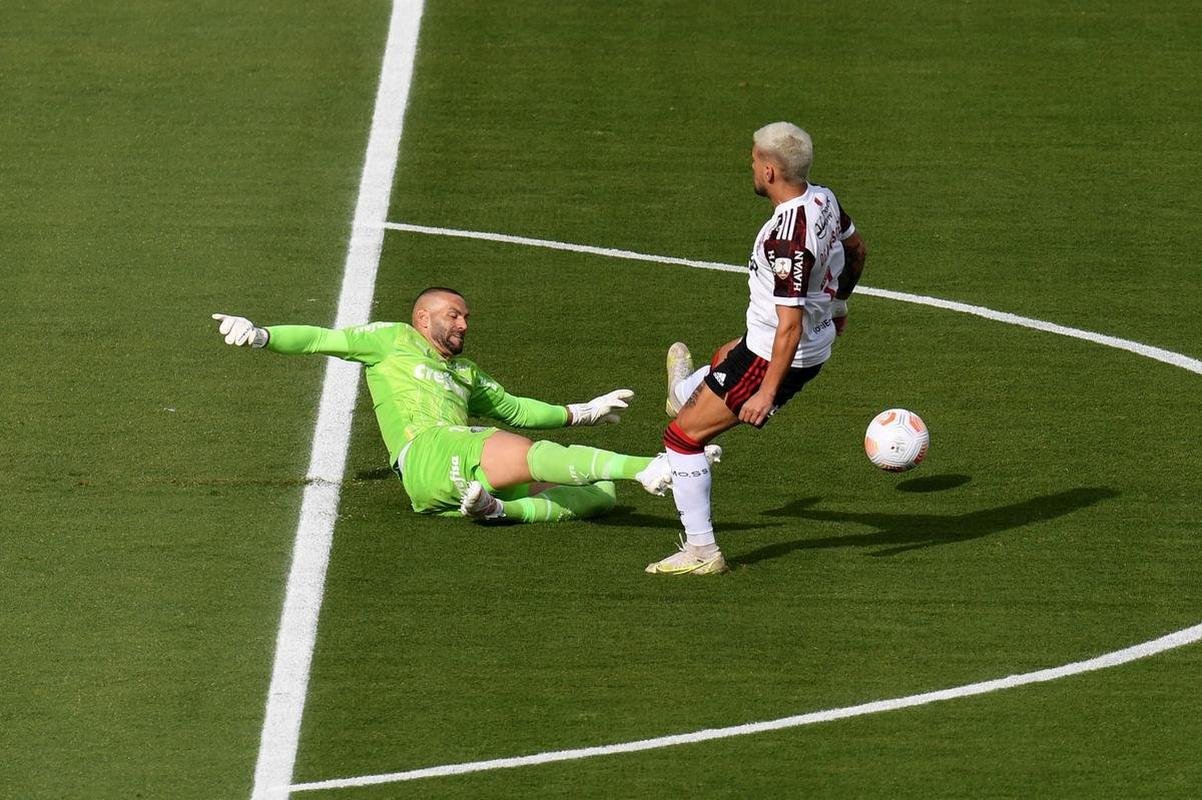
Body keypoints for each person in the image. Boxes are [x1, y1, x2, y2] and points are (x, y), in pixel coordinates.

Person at [212, 287, 717, 523]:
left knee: (601, 495)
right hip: (424, 451)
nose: (463, 325)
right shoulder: (389, 340)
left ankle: (501, 511)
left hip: (450, 475)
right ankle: (651, 467)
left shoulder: (467, 373)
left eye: (466, 318)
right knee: (517, 448)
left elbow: (516, 408)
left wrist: (581, 411)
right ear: (422, 316)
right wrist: (261, 335)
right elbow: (320, 338)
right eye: (454, 316)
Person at [645, 122, 868, 575]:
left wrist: (766, 393)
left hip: (776, 355)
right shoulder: (823, 198)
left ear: (769, 171)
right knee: (728, 353)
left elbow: (787, 327)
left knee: (683, 439)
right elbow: (857, 250)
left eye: (752, 158)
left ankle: (701, 551)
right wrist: (838, 307)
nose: (749, 164)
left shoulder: (785, 238)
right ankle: (683, 392)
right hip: (788, 341)